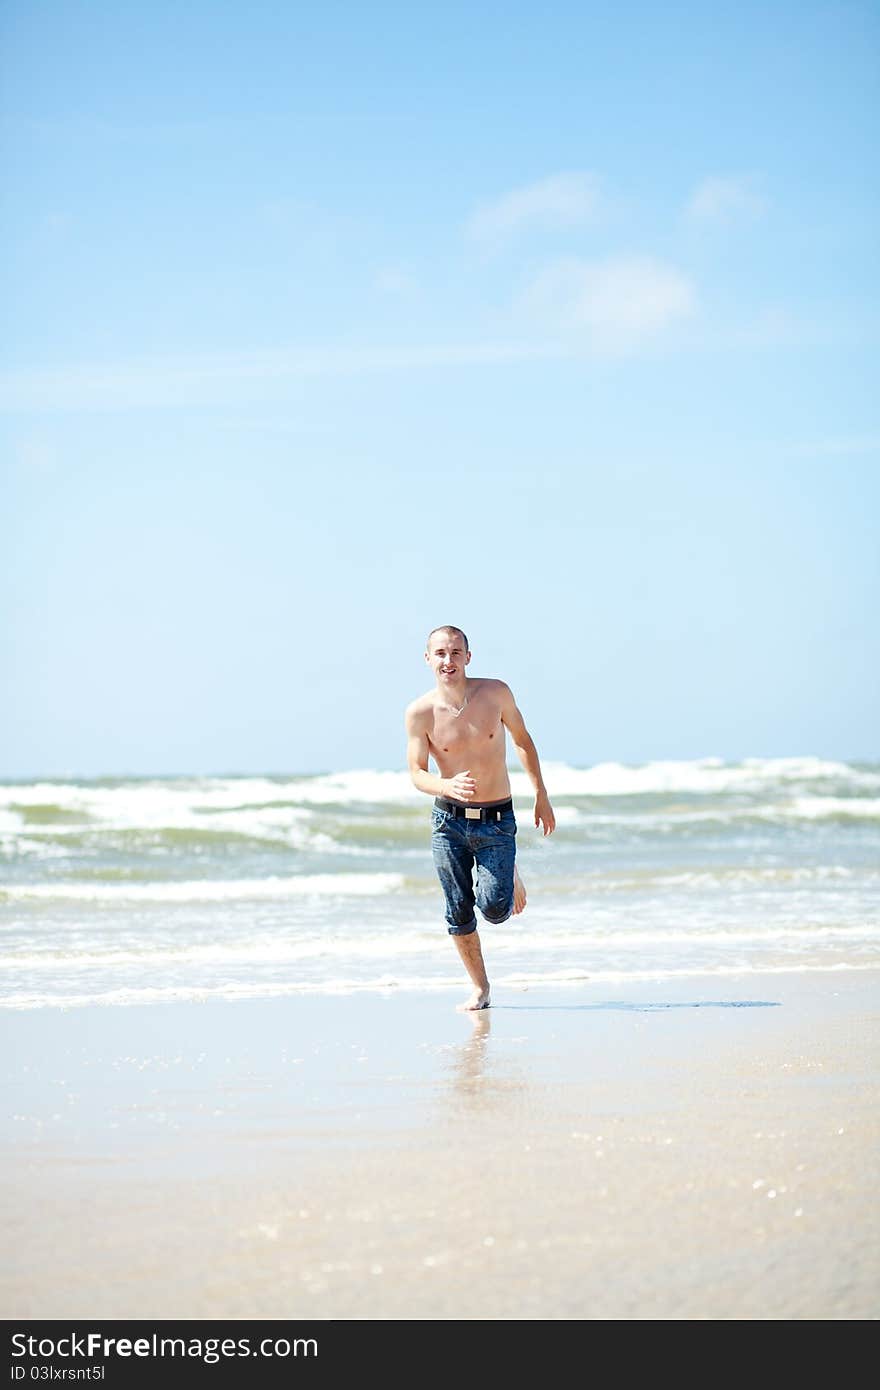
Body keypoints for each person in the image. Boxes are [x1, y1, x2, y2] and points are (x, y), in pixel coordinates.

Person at [405, 625, 556, 1010]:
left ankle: (507, 873)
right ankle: (481, 988)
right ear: (428, 659)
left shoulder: (495, 693)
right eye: (440, 653)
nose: (448, 661)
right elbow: (417, 773)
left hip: (496, 820)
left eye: (456, 653)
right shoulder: (420, 713)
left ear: (468, 657)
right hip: (448, 823)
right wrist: (445, 786)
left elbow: (522, 740)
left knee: (494, 909)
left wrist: (540, 793)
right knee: (457, 909)